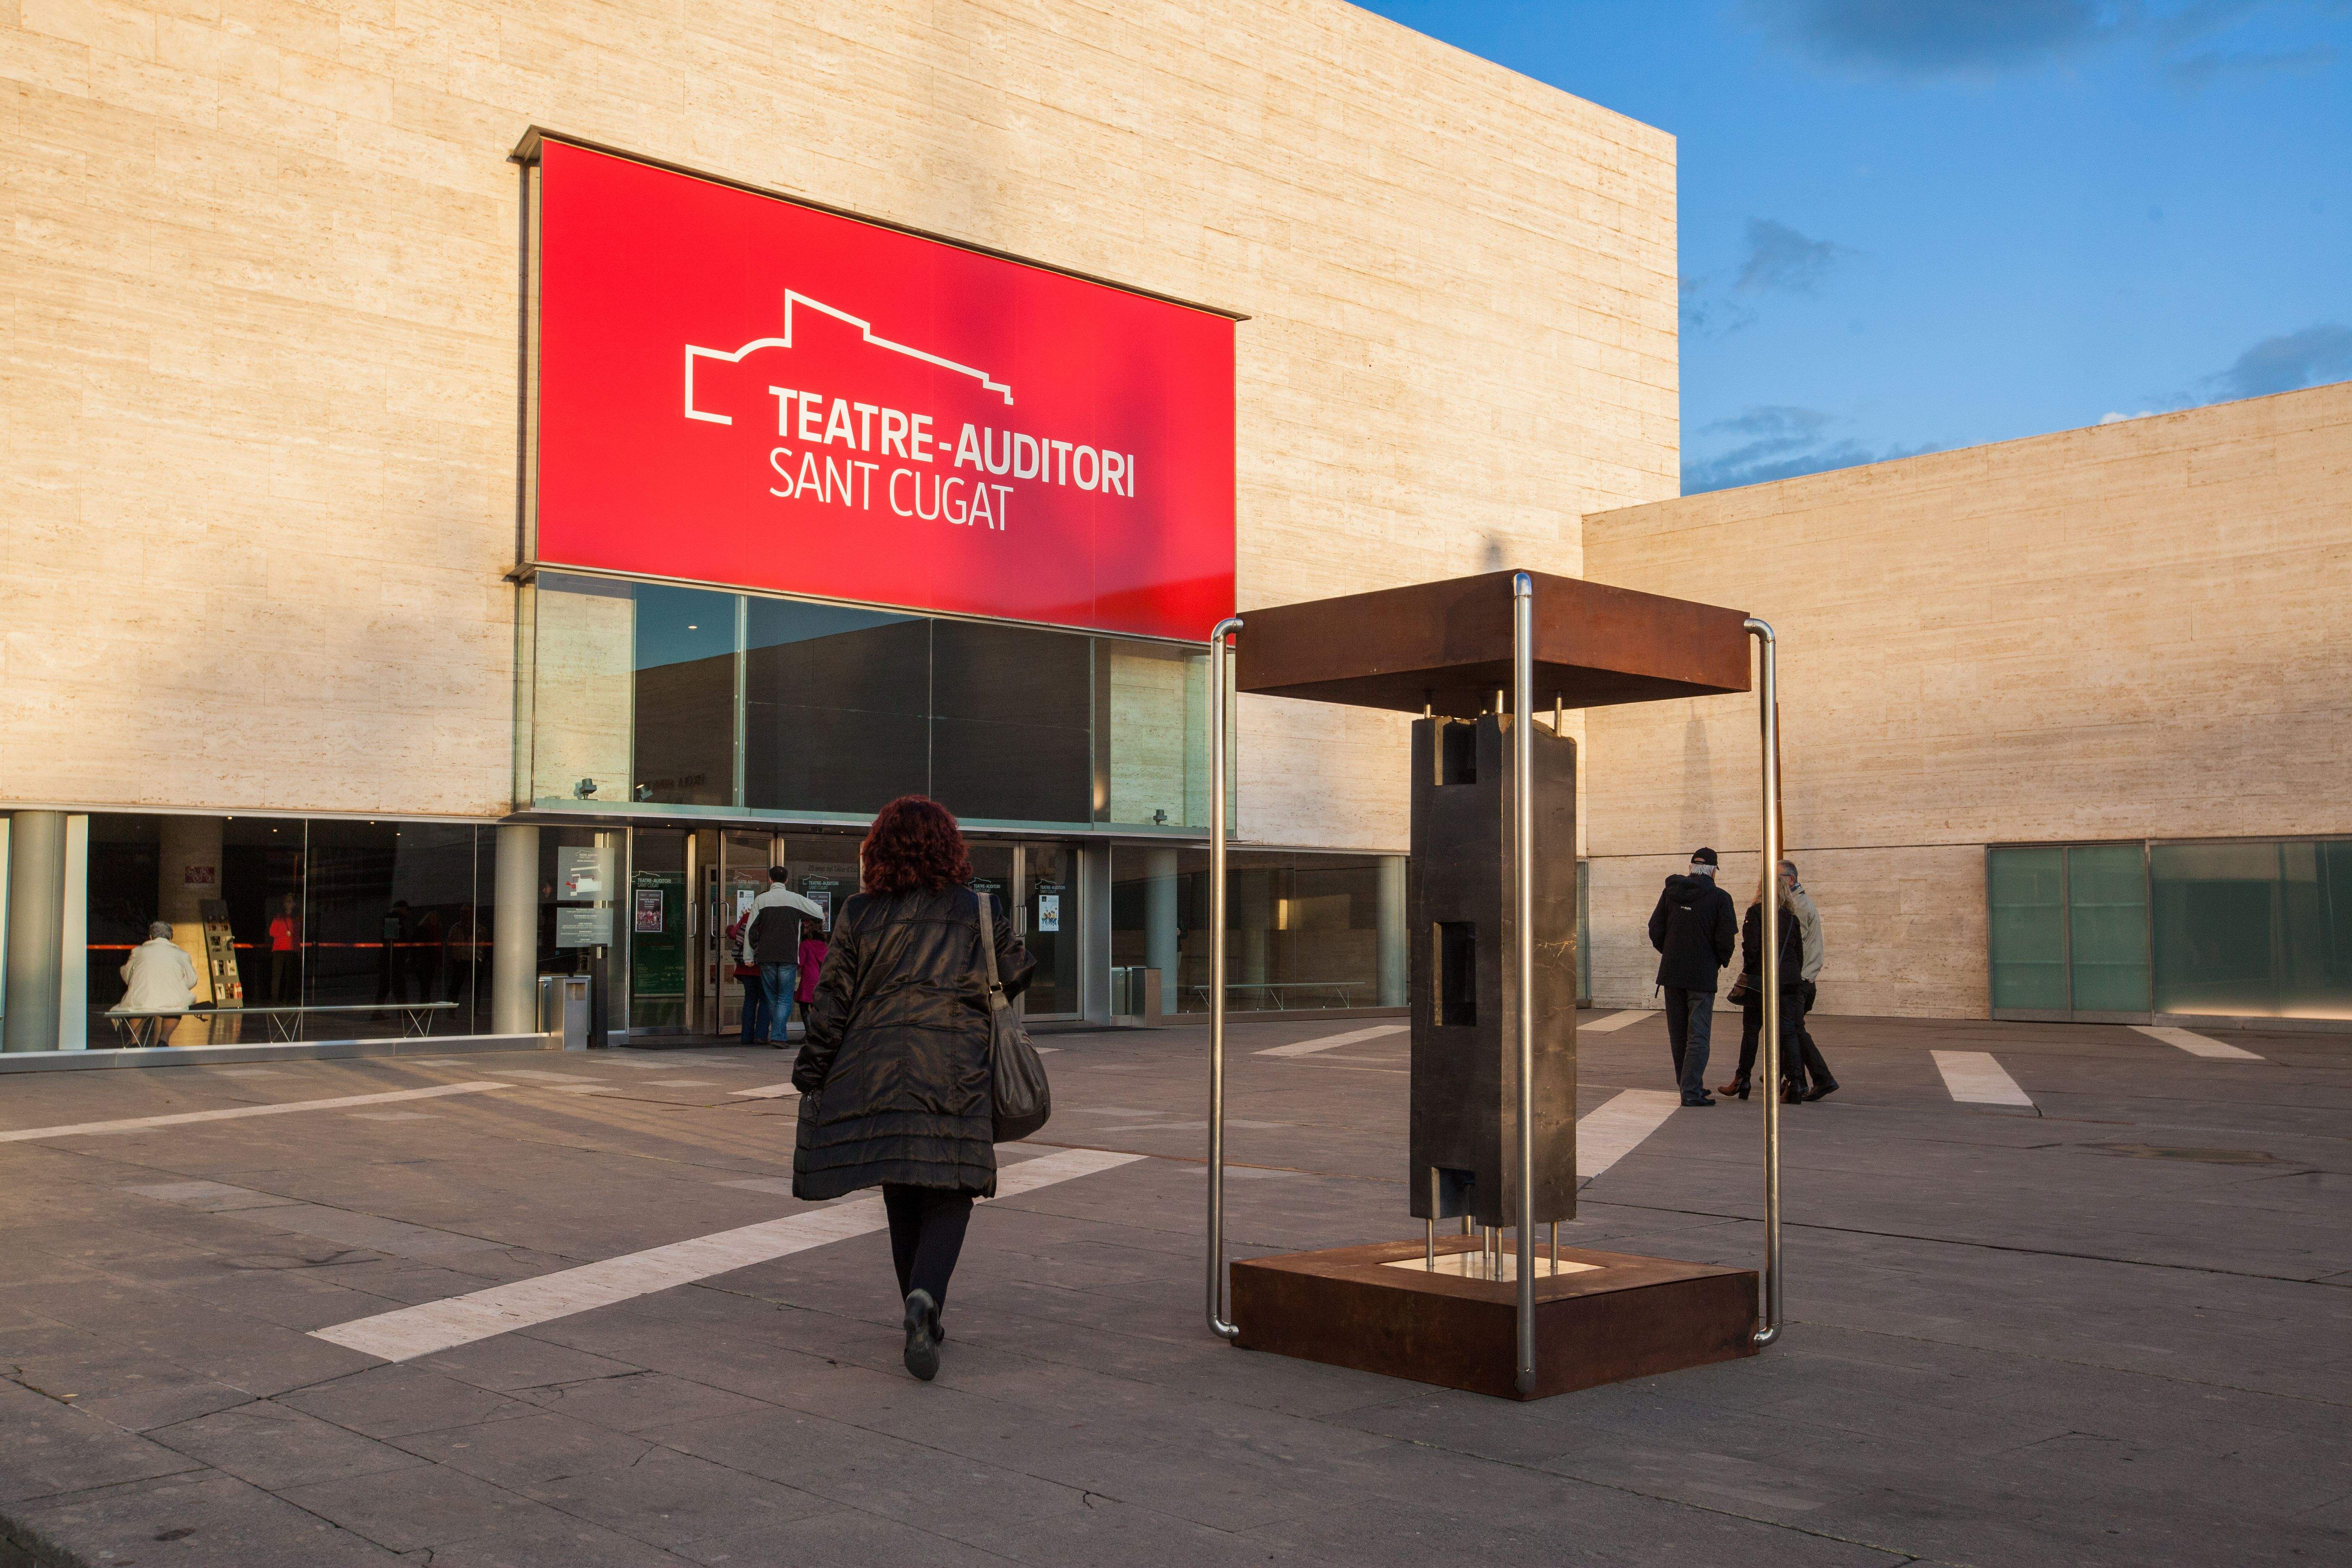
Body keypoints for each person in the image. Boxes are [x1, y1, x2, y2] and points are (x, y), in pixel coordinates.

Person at [792, 795, 1034, 1382]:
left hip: (873, 1067)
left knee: (901, 1188)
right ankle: (925, 1301)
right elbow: (1020, 966)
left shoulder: (858, 912)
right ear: (949, 848)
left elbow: (833, 1001)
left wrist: (812, 1068)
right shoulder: (976, 908)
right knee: (952, 1189)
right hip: (954, 1067)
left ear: (879, 849)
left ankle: (919, 1308)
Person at [1646, 846, 1736, 1106]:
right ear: (1713, 871)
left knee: (1678, 1033)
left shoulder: (1671, 893)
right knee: (1698, 1033)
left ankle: (1688, 1085)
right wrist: (1718, 961)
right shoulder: (1720, 898)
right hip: (1702, 975)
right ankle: (1691, 1091)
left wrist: (1672, 951)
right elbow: (1725, 938)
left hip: (1672, 974)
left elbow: (1655, 928)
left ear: (1691, 868)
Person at [1728, 875, 1810, 1103]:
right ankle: (1795, 1085)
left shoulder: (1755, 913)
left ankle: (1742, 1079)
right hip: (1788, 982)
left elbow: (1751, 949)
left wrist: (1750, 972)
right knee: (1788, 1032)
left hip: (1761, 982)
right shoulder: (1791, 918)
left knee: (1751, 1031)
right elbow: (1799, 953)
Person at [1780, 860, 1839, 1102]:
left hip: (1800, 980)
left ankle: (1820, 1079)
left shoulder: (1799, 906)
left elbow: (1795, 948)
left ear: (1790, 880)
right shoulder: (1796, 904)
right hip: (1801, 978)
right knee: (1790, 1030)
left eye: (1777, 877)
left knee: (1794, 1032)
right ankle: (1795, 1080)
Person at [747, 868, 825, 1047]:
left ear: (770, 880)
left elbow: (751, 931)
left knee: (772, 997)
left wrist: (749, 956)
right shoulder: (795, 899)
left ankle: (778, 1034)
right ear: (787, 880)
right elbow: (819, 913)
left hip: (766, 956)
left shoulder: (761, 900)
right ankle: (778, 1036)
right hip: (788, 956)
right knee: (785, 996)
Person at [114, 923, 199, 1044]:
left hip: (142, 999)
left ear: (150, 937)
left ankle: (135, 1042)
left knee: (135, 1005)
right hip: (172, 1001)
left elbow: (128, 976)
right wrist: (177, 985)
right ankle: (164, 1040)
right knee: (176, 1007)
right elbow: (192, 980)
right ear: (170, 938)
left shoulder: (138, 952)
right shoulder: (182, 954)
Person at [728, 912, 766, 1045]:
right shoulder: (771, 916)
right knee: (765, 1001)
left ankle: (746, 1037)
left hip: (746, 967)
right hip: (764, 968)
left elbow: (733, 934)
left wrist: (729, 928)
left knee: (750, 1000)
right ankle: (761, 1035)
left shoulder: (748, 916)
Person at [267, 895, 298, 1004]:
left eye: (291, 902)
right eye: (287, 902)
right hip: (280, 949)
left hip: (291, 950)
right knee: (277, 976)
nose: (289, 904)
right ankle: (275, 999)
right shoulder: (278, 918)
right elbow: (272, 932)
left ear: (294, 904)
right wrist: (284, 934)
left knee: (289, 977)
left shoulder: (297, 918)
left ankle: (287, 1000)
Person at [795, 918, 828, 1017]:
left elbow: (800, 963)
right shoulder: (824, 946)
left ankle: (809, 1031)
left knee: (804, 1006)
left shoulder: (805, 944)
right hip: (821, 978)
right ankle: (816, 1030)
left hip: (808, 978)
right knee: (816, 1007)